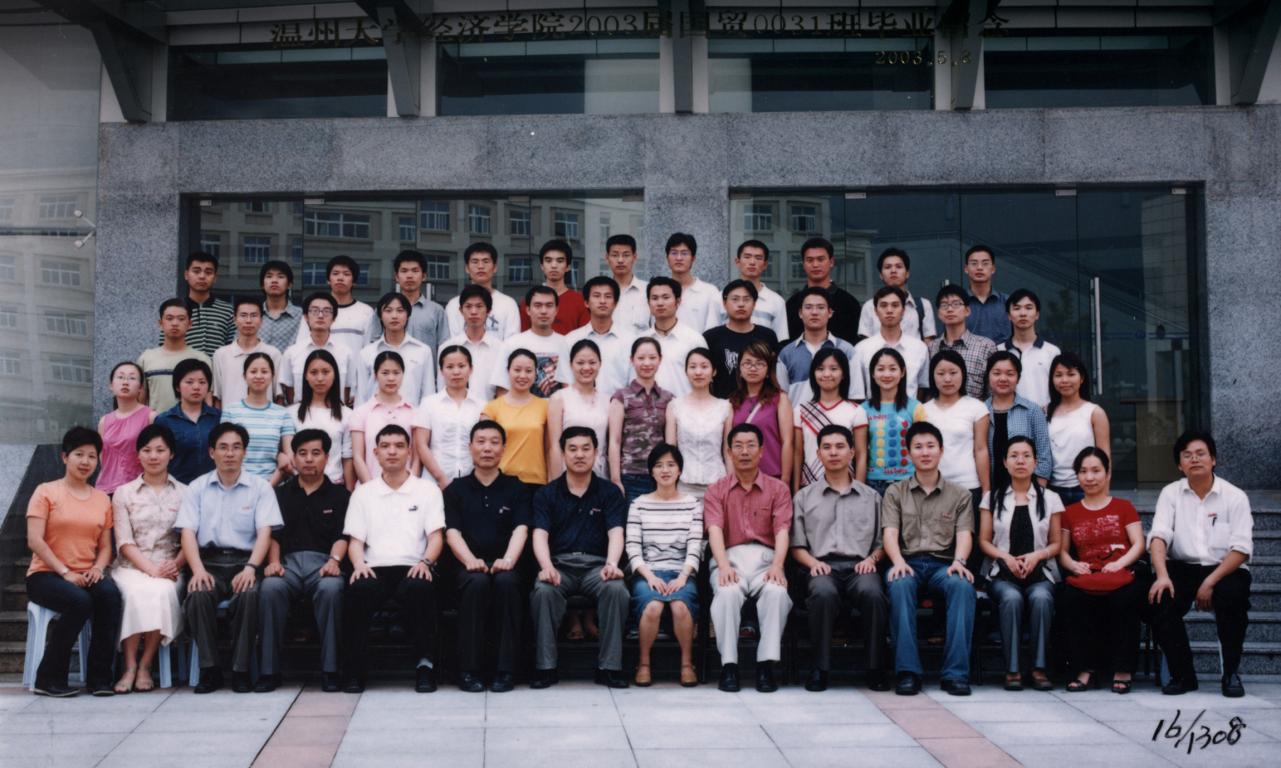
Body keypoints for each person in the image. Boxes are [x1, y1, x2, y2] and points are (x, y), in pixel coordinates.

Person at [177, 422, 283, 694]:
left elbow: (265, 532)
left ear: (245, 452)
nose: (230, 453)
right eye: (223, 447)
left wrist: (251, 568)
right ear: (211, 452)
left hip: (245, 561)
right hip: (208, 563)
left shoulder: (260, 488)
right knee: (198, 595)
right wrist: (197, 570)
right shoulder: (197, 488)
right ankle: (210, 669)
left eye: (236, 447)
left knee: (249, 595)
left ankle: (240, 670)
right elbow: (187, 532)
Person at [1149, 430, 1254, 698]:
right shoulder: (1170, 494)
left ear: (1213, 459)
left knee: (1233, 598)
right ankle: (1183, 675)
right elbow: (1159, 536)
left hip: (1224, 568)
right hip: (1182, 566)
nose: (1194, 459)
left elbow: (1241, 549)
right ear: (1179, 465)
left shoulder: (1234, 496)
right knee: (1160, 599)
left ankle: (1231, 673)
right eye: (1187, 455)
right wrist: (1162, 575)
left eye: (1200, 454)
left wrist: (1210, 581)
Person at [343, 424, 446, 693]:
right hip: (374, 567)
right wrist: (358, 565)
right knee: (358, 589)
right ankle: (354, 670)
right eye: (385, 446)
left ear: (409, 452)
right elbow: (355, 541)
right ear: (375, 453)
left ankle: (425, 666)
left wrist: (426, 563)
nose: (392, 452)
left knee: (420, 588)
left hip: (414, 565)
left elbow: (436, 537)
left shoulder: (427, 490)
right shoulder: (363, 492)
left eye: (399, 446)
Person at [529, 427, 631, 689]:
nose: (579, 455)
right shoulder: (547, 493)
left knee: (616, 589)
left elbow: (616, 532)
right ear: (563, 453)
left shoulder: (609, 492)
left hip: (597, 566)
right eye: (572, 449)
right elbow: (539, 534)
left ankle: (609, 667)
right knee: (543, 591)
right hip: (559, 565)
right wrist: (546, 567)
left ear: (596, 453)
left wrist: (612, 564)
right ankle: (546, 667)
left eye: (586, 448)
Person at [24, 427, 122, 697]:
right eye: (79, 454)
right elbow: (35, 540)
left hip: (86, 573)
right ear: (65, 457)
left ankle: (100, 679)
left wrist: (98, 568)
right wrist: (65, 571)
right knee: (79, 601)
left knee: (110, 596)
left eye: (92, 456)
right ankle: (48, 679)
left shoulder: (101, 499)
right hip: (46, 575)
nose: (85, 461)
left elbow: (106, 547)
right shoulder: (46, 492)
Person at [791, 425, 889, 692]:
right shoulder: (804, 497)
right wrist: (813, 563)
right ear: (818, 454)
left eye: (839, 447)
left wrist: (872, 559)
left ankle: (875, 668)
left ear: (852, 452)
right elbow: (796, 545)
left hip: (861, 567)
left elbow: (883, 543)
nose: (833, 452)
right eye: (827, 447)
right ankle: (819, 669)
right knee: (822, 593)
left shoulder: (871, 497)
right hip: (821, 566)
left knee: (873, 593)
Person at [882, 422, 976, 697]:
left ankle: (955, 674)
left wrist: (959, 562)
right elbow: (890, 534)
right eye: (918, 447)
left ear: (941, 451)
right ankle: (908, 672)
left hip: (943, 565)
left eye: (931, 446)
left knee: (962, 586)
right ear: (909, 453)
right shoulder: (895, 492)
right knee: (899, 585)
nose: (925, 452)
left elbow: (964, 534)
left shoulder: (960, 494)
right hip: (907, 562)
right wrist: (898, 562)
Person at [443, 420, 533, 693]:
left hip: (507, 563)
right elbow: (452, 533)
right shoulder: (455, 490)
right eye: (481, 442)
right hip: (466, 565)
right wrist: (469, 560)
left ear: (504, 448)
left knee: (507, 582)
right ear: (470, 447)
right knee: (477, 582)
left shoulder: (517, 488)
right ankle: (469, 670)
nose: (487, 448)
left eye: (494, 442)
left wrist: (508, 560)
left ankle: (506, 670)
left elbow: (521, 529)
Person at [258, 429, 349, 693]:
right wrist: (274, 562)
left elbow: (343, 535)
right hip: (288, 564)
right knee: (270, 588)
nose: (309, 459)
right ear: (294, 458)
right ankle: (269, 671)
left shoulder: (340, 495)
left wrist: (334, 561)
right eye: (302, 453)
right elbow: (273, 534)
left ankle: (331, 670)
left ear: (327, 457)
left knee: (331, 589)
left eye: (316, 453)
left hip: (324, 563)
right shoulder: (280, 494)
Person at [704, 423, 793, 693]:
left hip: (766, 559)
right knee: (727, 593)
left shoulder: (778, 489)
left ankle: (765, 665)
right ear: (729, 452)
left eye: (751, 445)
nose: (744, 452)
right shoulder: (716, 490)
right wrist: (723, 566)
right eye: (738, 446)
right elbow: (714, 530)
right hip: (729, 557)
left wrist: (778, 565)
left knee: (777, 593)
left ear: (762, 451)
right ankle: (729, 666)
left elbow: (782, 530)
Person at [978, 437, 1063, 691]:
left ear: (1035, 462)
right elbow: (984, 541)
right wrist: (1005, 557)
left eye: (1026, 455)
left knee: (1041, 599)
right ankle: (1012, 669)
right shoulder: (991, 498)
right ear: (1005, 463)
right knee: (1012, 598)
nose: (1020, 461)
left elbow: (1057, 543)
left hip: (1040, 573)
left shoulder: (1051, 498)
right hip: (1002, 573)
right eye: (1014, 455)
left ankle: (1038, 668)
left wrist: (1037, 556)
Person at [1058, 447, 1145, 695]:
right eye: (1083, 471)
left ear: (1108, 474)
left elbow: (1139, 543)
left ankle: (1123, 670)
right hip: (1088, 575)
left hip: (1120, 572)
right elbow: (1062, 551)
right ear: (1077, 476)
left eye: (1096, 471)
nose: (1090, 477)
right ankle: (1084, 669)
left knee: (1125, 598)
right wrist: (1073, 565)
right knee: (1071, 598)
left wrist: (1120, 563)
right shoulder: (1069, 513)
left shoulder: (1124, 507)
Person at [109, 424, 185, 694]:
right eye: (147, 450)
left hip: (169, 565)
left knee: (162, 590)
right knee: (135, 592)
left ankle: (146, 664)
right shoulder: (124, 493)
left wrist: (175, 564)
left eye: (160, 450)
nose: (153, 456)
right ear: (138, 454)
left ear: (171, 454)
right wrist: (151, 569)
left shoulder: (185, 493)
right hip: (130, 566)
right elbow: (124, 542)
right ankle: (129, 665)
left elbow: (190, 539)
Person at [627, 443, 702, 687]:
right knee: (653, 607)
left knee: (680, 606)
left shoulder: (693, 504)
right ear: (651, 471)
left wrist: (683, 577)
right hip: (648, 572)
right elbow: (633, 548)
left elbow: (695, 546)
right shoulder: (638, 504)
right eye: (659, 465)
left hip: (681, 572)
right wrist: (650, 576)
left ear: (680, 470)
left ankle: (687, 664)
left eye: (671, 465)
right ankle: (644, 664)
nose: (665, 470)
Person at [923, 350, 990, 571]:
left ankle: (971, 583)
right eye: (941, 373)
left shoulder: (976, 407)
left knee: (969, 539)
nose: (947, 379)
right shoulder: (923, 410)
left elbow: (981, 449)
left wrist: (986, 491)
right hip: (934, 487)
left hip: (968, 486)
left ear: (963, 374)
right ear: (932, 376)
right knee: (939, 541)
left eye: (953, 372)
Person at [609, 338, 674, 503]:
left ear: (660, 360)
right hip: (630, 477)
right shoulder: (621, 397)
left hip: (661, 477)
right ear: (632, 360)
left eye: (652, 358)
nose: (647, 363)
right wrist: (616, 479)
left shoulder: (668, 398)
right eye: (641, 358)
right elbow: (614, 441)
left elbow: (671, 444)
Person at [793, 348, 868, 491]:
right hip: (810, 488)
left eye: (834, 369)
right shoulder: (801, 410)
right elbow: (798, 454)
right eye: (820, 369)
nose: (827, 374)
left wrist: (859, 491)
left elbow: (861, 454)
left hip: (846, 489)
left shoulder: (856, 411)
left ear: (843, 374)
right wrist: (796, 491)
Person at [665, 348, 732, 500]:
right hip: (684, 484)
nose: (698, 372)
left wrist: (732, 484)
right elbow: (670, 451)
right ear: (686, 372)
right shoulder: (675, 406)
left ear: (714, 371)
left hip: (718, 483)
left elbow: (728, 452)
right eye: (693, 366)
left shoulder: (725, 407)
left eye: (704, 366)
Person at [220, 352, 295, 485]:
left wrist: (268, 487)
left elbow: (289, 459)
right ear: (244, 376)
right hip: (236, 485)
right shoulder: (230, 411)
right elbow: (224, 454)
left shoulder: (282, 413)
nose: (259, 376)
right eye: (253, 371)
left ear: (272, 376)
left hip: (273, 486)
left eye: (264, 371)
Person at [862, 348, 928, 496]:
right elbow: (861, 452)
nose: (887, 375)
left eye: (893, 369)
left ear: (902, 372)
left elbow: (923, 448)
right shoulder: (863, 409)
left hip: (908, 481)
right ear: (872, 373)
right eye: (881, 369)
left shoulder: (915, 408)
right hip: (873, 483)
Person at [1047, 353, 1110, 506]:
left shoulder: (1094, 412)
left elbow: (1105, 457)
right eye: (1058, 375)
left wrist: (1103, 495)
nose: (1064, 380)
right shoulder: (1045, 411)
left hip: (1085, 487)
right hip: (1052, 489)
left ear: (1081, 378)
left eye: (1071, 374)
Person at [415, 345, 483, 487]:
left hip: (472, 482)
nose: (456, 372)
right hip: (434, 482)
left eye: (461, 366)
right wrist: (441, 478)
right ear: (441, 371)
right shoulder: (428, 404)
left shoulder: (481, 405)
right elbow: (421, 445)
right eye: (450, 367)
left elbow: (483, 444)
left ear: (471, 369)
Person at [983, 351, 1053, 489]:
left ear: (1018, 378)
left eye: (1010, 374)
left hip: (1027, 489)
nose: (1003, 379)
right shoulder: (980, 411)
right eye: (997, 373)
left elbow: (1044, 455)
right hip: (991, 489)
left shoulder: (1032, 410)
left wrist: (1038, 492)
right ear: (988, 376)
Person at [777, 286, 858, 404]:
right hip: (797, 415)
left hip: (838, 415)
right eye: (808, 307)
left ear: (830, 313)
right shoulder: (786, 353)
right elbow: (781, 397)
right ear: (800, 313)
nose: (814, 312)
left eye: (820, 307)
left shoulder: (846, 350)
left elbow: (855, 395)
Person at [482, 350, 551, 485]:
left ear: (536, 373)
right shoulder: (492, 408)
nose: (522, 375)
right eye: (517, 370)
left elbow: (550, 449)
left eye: (528, 371)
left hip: (536, 482)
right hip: (501, 482)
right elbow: (484, 450)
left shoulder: (545, 406)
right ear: (508, 371)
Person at [851, 287, 930, 402]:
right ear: (875, 311)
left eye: (895, 305)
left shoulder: (919, 348)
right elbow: (857, 393)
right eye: (883, 305)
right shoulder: (861, 349)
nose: (889, 310)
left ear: (903, 311)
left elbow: (922, 387)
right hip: (873, 412)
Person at [351, 351, 419, 484]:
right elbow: (358, 457)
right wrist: (372, 488)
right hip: (370, 488)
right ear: (375, 375)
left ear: (403, 374)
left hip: (407, 489)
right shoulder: (361, 412)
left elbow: (416, 458)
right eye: (385, 373)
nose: (391, 378)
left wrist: (410, 486)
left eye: (396, 373)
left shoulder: (414, 412)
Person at [703, 279, 779, 399]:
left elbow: (774, 374)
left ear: (754, 304)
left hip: (760, 404)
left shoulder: (767, 336)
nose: (741, 304)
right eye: (735, 299)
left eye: (746, 299)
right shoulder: (711, 337)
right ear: (724, 303)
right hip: (721, 403)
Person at [730, 341, 793, 485]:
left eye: (760, 363)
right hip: (741, 478)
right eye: (747, 363)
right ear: (740, 369)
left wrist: (785, 479)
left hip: (772, 476)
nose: (753, 368)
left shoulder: (780, 399)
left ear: (768, 370)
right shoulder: (733, 401)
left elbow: (787, 442)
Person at [365, 249, 450, 354]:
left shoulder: (436, 311)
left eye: (415, 271)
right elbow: (373, 343)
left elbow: (444, 348)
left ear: (424, 276)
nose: (409, 276)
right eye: (404, 271)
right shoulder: (384, 308)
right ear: (396, 277)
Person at [356, 292, 435, 405]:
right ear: (380, 316)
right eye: (388, 311)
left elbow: (428, 392)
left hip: (412, 414)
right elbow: (361, 396)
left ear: (408, 315)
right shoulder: (367, 353)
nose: (394, 316)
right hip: (376, 415)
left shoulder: (423, 351)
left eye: (400, 310)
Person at [291, 350, 355, 488]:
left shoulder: (347, 414)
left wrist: (349, 493)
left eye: (326, 372)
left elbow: (347, 458)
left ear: (335, 375)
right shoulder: (291, 413)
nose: (320, 378)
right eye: (314, 372)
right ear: (306, 376)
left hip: (334, 485)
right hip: (299, 487)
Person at [492, 285, 569, 398]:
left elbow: (570, 390)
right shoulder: (511, 344)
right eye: (538, 305)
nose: (543, 311)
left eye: (549, 306)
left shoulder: (566, 344)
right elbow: (502, 391)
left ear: (556, 310)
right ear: (528, 310)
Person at [280, 292, 356, 405]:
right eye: (315, 311)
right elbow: (289, 388)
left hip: (336, 412)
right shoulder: (292, 352)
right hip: (301, 412)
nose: (320, 315)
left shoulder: (346, 352)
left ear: (334, 318)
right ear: (306, 317)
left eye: (326, 311)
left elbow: (347, 387)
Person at [548, 340, 610, 478]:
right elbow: (554, 446)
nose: (586, 367)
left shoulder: (608, 400)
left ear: (600, 364)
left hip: (600, 475)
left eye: (592, 362)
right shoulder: (559, 399)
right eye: (580, 363)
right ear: (571, 365)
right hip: (568, 475)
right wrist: (556, 483)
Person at [565, 275, 635, 399]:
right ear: (586, 303)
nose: (602, 301)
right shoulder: (571, 340)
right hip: (580, 407)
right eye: (596, 296)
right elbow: (566, 382)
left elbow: (635, 382)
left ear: (615, 303)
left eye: (608, 296)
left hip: (620, 407)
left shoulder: (630, 340)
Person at [139, 298, 212, 413]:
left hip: (192, 422)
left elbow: (208, 400)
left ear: (190, 324)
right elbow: (140, 400)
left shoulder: (201, 359)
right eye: (169, 318)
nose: (175, 323)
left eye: (181, 319)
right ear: (160, 324)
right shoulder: (147, 358)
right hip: (156, 422)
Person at [154, 358, 220, 484]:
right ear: (177, 387)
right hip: (177, 487)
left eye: (202, 382)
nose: (196, 387)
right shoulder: (164, 421)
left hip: (212, 486)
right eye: (189, 382)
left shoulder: (218, 418)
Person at [293, 255, 374, 358]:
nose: (340, 278)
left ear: (354, 281)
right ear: (328, 280)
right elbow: (302, 345)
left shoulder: (366, 311)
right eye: (335, 273)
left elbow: (369, 350)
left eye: (346, 274)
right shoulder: (314, 310)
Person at [785, 237, 860, 343]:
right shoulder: (792, 304)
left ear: (831, 262)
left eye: (820, 259)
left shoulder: (849, 304)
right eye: (810, 260)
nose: (815, 265)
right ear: (803, 264)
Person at [212, 297, 282, 410]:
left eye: (254, 315)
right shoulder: (221, 355)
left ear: (261, 320)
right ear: (235, 319)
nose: (248, 320)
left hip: (265, 419)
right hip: (230, 419)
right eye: (243, 315)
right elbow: (217, 398)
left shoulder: (273, 354)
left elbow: (279, 396)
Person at [995, 289, 1061, 409]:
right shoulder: (998, 351)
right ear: (1009, 316)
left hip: (1044, 417)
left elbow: (1060, 388)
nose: (1023, 313)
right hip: (1009, 417)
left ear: (1037, 314)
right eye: (1016, 308)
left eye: (1028, 308)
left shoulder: (1052, 352)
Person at [929, 284, 996, 400]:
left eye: (956, 304)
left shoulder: (985, 346)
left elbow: (993, 392)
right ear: (939, 313)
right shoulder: (932, 347)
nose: (950, 309)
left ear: (967, 311)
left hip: (976, 410)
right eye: (944, 305)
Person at [643, 276, 707, 397]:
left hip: (684, 406)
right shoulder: (641, 340)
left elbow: (704, 380)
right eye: (655, 298)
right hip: (648, 407)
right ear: (648, 303)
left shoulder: (694, 340)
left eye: (666, 297)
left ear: (678, 302)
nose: (660, 303)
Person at [96, 362, 153, 496]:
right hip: (106, 489)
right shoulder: (104, 421)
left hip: (138, 490)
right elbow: (102, 458)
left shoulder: (150, 416)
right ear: (111, 385)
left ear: (140, 387)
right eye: (120, 377)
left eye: (132, 378)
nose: (125, 382)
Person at [439, 283, 502, 401]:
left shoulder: (500, 348)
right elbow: (441, 388)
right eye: (468, 306)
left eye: (479, 306)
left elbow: (502, 391)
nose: (473, 312)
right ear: (461, 310)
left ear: (488, 310)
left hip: (490, 410)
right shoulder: (447, 347)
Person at [445, 242, 521, 340]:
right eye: (475, 261)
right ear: (467, 268)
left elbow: (512, 343)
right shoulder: (453, 305)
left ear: (495, 268)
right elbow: (452, 342)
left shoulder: (508, 304)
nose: (480, 266)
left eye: (486, 261)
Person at [858, 248, 936, 342]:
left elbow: (928, 343)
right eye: (888, 267)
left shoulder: (923, 305)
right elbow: (865, 344)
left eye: (898, 266)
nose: (893, 271)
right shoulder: (869, 306)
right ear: (881, 275)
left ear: (907, 273)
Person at [715, 240, 789, 339]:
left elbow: (781, 340)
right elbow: (712, 337)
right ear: (737, 262)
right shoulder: (719, 298)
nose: (752, 262)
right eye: (747, 257)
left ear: (765, 264)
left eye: (758, 258)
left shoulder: (776, 301)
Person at [520, 239, 590, 334]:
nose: (554, 265)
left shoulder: (581, 301)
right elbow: (524, 337)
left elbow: (584, 337)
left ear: (568, 266)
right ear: (542, 266)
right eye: (548, 261)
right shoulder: (529, 302)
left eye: (560, 261)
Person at [175, 251, 235, 357]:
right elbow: (165, 346)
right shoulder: (175, 310)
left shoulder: (228, 311)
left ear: (215, 277)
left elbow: (234, 348)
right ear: (186, 275)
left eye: (208, 272)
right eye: (196, 271)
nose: (202, 276)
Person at [664, 232, 719, 331]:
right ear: (667, 258)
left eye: (684, 253)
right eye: (674, 253)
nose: (679, 258)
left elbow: (713, 331)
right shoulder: (659, 292)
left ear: (693, 258)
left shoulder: (709, 292)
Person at [962, 245, 1011, 345]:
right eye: (974, 263)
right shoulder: (958, 303)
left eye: (985, 263)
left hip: (1002, 354)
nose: (979, 268)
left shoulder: (1008, 302)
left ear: (993, 269)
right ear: (966, 269)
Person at [605, 234, 650, 333]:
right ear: (607, 258)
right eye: (615, 255)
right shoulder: (600, 294)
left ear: (634, 257)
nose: (620, 260)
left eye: (626, 255)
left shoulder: (648, 290)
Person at [259, 260, 303, 353]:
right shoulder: (253, 315)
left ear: (289, 284)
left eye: (280, 276)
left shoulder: (301, 316)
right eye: (269, 276)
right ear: (262, 285)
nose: (274, 280)